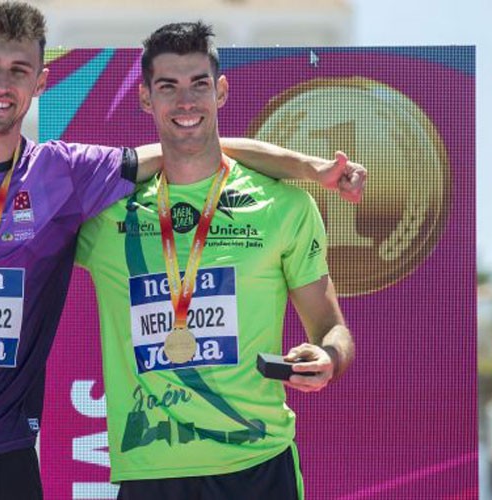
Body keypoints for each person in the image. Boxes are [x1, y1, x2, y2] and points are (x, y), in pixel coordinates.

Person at [0, 2, 360, 499]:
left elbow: (190, 144)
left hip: (1, 458)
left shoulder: (62, 178)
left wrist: (308, 167)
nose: (2, 84)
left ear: (41, 82)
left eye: (19, 71)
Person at [74, 22, 354, 499]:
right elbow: (16, 184)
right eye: (168, 87)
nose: (186, 102)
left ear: (221, 91)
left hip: (259, 463)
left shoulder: (284, 205)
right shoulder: (105, 212)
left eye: (199, 85)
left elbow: (332, 327)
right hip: (151, 472)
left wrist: (328, 356)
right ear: (145, 98)